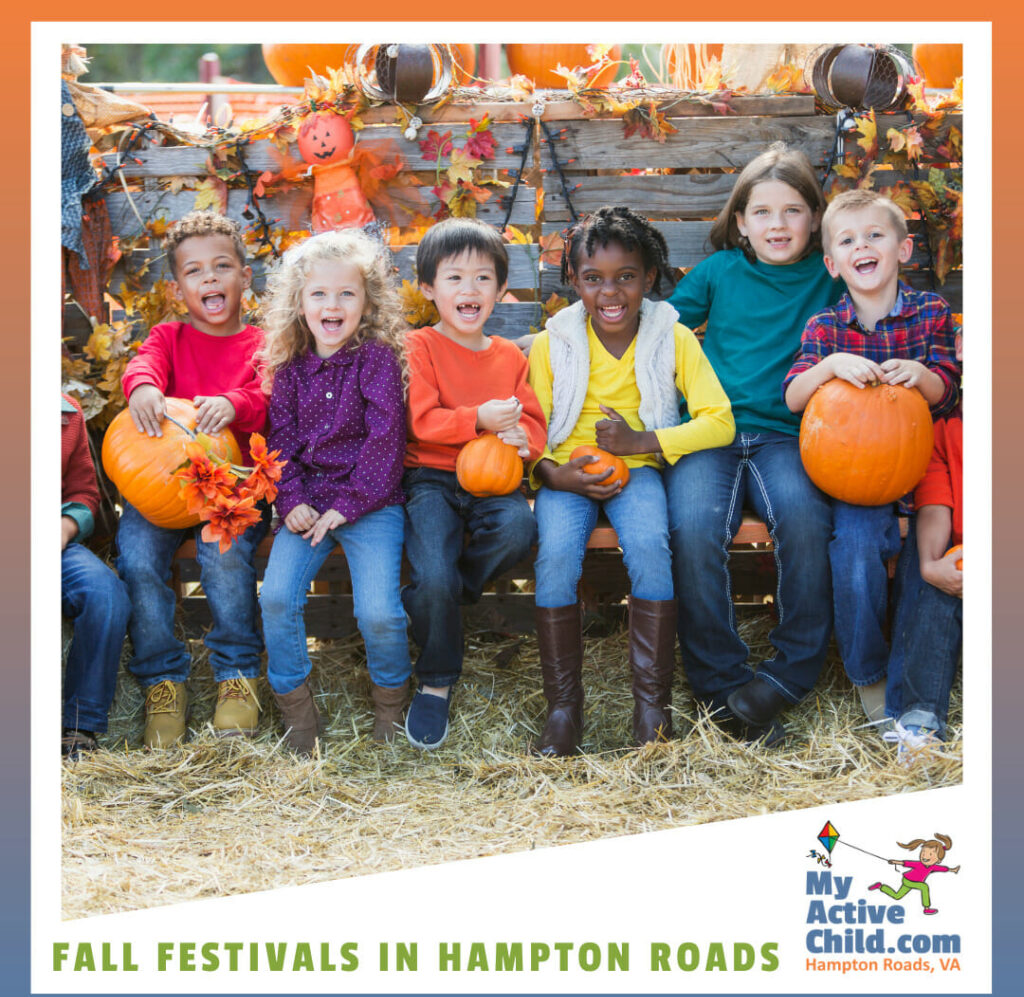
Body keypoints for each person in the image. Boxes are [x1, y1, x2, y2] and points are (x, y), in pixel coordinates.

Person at [528, 206, 734, 755]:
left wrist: (642, 443)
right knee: (554, 557)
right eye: (593, 279)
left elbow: (720, 421)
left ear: (649, 278)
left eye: (626, 277)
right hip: (564, 474)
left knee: (649, 545)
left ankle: (652, 709)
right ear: (574, 282)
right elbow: (531, 428)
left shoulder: (675, 338)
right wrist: (554, 474)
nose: (610, 292)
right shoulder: (553, 344)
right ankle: (564, 711)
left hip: (637, 472)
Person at [665, 143, 844, 743]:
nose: (777, 225)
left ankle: (789, 673)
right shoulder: (719, 272)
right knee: (691, 525)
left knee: (805, 519)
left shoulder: (829, 275)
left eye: (792, 211)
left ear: (815, 219)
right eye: (761, 213)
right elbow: (659, 329)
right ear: (739, 222)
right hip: (709, 431)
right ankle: (721, 684)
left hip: (786, 435)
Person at [784, 189, 960, 729]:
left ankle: (922, 686)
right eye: (848, 239)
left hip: (927, 474)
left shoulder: (931, 313)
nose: (863, 245)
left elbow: (952, 391)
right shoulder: (826, 330)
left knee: (922, 573)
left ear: (904, 249)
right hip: (857, 481)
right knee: (855, 550)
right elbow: (793, 396)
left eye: (875, 235)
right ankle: (869, 675)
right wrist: (831, 366)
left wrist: (927, 379)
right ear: (834, 264)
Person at [117, 210, 270, 748]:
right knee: (136, 554)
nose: (209, 278)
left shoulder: (263, 343)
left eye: (222, 266)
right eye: (194, 271)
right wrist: (141, 388)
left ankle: (236, 672)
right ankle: (162, 679)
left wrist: (234, 403)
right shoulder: (169, 336)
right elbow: (142, 366)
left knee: (224, 558)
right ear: (179, 286)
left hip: (231, 488)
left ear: (245, 277)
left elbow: (270, 395)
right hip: (162, 483)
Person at [258, 230, 411, 754]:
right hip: (308, 504)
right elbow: (280, 442)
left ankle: (392, 704)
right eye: (319, 294)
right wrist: (291, 499)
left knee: (380, 612)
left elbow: (385, 445)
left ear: (367, 302)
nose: (333, 304)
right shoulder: (290, 369)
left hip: (371, 502)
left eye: (347, 293)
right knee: (276, 597)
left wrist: (345, 507)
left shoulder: (377, 362)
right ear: (299, 304)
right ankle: (297, 712)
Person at [402, 218, 546, 750]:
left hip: (495, 479)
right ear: (427, 288)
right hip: (432, 478)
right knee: (430, 567)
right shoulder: (419, 346)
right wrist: (479, 419)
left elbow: (531, 420)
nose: (470, 290)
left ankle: (446, 594)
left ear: (501, 290)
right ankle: (436, 681)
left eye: (483, 279)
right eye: (455, 278)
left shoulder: (509, 356)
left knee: (517, 530)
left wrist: (523, 440)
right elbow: (419, 420)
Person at [886, 327, 963, 761]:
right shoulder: (944, 426)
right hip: (967, 551)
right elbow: (936, 498)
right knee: (935, 592)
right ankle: (921, 722)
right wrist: (933, 565)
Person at [61, 393, 131, 758]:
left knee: (106, 595)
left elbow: (82, 492)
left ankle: (79, 723)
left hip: (49, 543)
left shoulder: (65, 413)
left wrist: (63, 528)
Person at [868, 833, 960, 915]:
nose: (924, 856)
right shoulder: (918, 864)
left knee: (897, 896)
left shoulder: (932, 867)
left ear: (938, 860)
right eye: (923, 853)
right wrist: (894, 862)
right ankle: (926, 908)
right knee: (924, 887)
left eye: (930, 854)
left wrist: (953, 870)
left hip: (910, 883)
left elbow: (943, 869)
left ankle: (881, 886)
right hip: (907, 880)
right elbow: (905, 863)